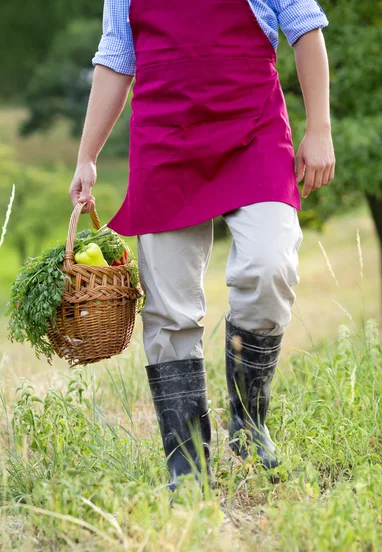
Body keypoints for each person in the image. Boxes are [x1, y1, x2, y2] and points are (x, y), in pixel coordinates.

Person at [69, 0, 336, 490]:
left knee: (269, 266)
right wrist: (87, 156)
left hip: (253, 130)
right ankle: (186, 466)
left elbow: (305, 26)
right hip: (166, 139)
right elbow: (116, 55)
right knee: (170, 310)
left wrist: (319, 128)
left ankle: (250, 424)